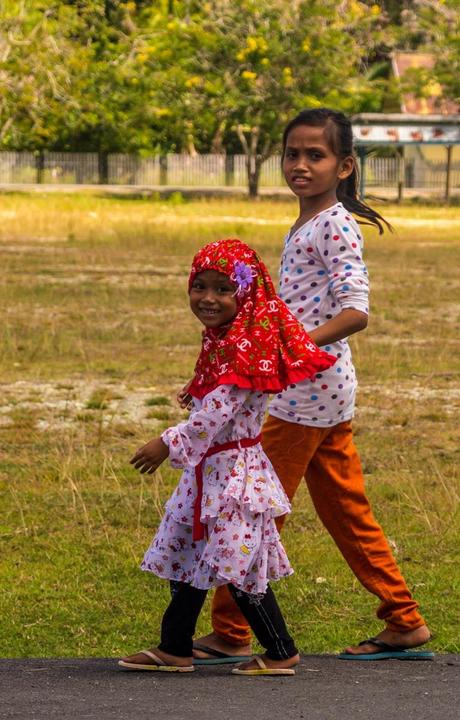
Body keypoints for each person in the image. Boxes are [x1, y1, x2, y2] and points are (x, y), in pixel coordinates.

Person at [190, 108, 433, 664]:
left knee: (245, 509)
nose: (301, 165)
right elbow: (287, 295)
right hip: (322, 394)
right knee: (347, 510)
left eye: (315, 156)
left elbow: (356, 312)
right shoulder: (308, 221)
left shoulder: (335, 225)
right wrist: (231, 285)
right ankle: (405, 620)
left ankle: (230, 631)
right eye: (292, 154)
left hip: (305, 397)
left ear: (344, 166)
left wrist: (290, 349)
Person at [119, 238, 336, 676]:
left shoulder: (247, 351)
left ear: (246, 293)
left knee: (238, 567)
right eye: (200, 286)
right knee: (186, 552)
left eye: (223, 289)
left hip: (235, 478)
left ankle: (280, 651)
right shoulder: (223, 341)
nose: (208, 298)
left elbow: (215, 415)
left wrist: (166, 443)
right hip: (208, 472)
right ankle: (174, 647)